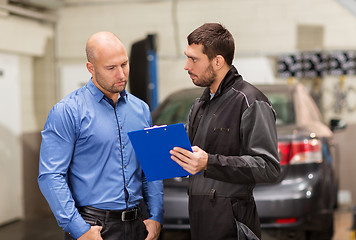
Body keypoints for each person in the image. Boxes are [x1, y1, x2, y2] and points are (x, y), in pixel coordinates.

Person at [38, 31, 163, 240]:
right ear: (91, 68)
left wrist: (156, 215)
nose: (121, 74)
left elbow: (151, 168)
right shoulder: (67, 111)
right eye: (111, 68)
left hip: (139, 224)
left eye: (124, 64)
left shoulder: (141, 109)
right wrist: (79, 228)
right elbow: (51, 176)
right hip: (93, 228)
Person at [170, 23, 281, 240]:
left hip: (233, 226)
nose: (186, 66)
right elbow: (193, 160)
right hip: (201, 221)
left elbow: (268, 168)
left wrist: (209, 162)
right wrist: (165, 142)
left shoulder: (250, 101)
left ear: (218, 61)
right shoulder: (200, 105)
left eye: (193, 59)